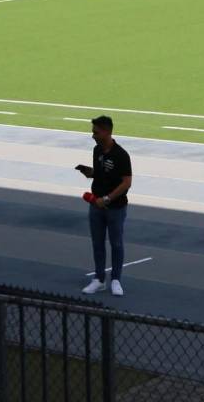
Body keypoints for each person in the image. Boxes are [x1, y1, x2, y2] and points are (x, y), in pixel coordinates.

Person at [76, 115, 133, 297]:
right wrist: (90, 172)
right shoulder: (97, 151)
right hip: (96, 205)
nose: (92, 135)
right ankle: (99, 279)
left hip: (115, 208)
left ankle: (116, 280)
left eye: (95, 132)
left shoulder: (121, 155)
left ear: (107, 132)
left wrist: (107, 199)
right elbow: (101, 173)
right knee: (97, 243)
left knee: (116, 243)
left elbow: (126, 183)